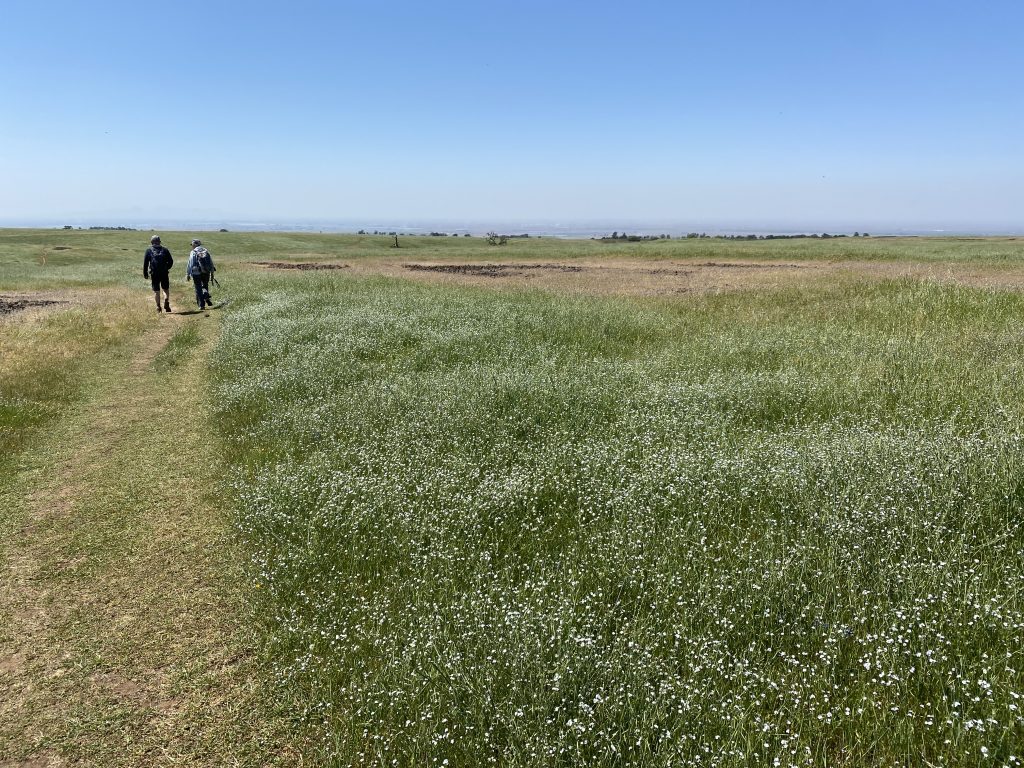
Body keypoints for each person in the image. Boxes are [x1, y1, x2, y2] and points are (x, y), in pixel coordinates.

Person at [143, 235, 173, 312]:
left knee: (156, 291)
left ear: (152, 242)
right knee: (165, 289)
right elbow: (171, 261)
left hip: (154, 273)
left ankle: (158, 307)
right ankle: (166, 299)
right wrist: (166, 268)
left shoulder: (149, 250)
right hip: (164, 273)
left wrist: (145, 273)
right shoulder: (165, 250)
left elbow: (145, 263)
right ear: (159, 242)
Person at [185, 239, 216, 309]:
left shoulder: (193, 252)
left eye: (192, 245)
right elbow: (211, 262)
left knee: (198, 288)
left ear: (194, 245)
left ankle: (201, 305)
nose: (192, 246)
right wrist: (212, 273)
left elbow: (191, 263)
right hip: (206, 271)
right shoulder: (205, 250)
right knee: (205, 285)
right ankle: (205, 293)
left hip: (196, 272)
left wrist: (188, 273)